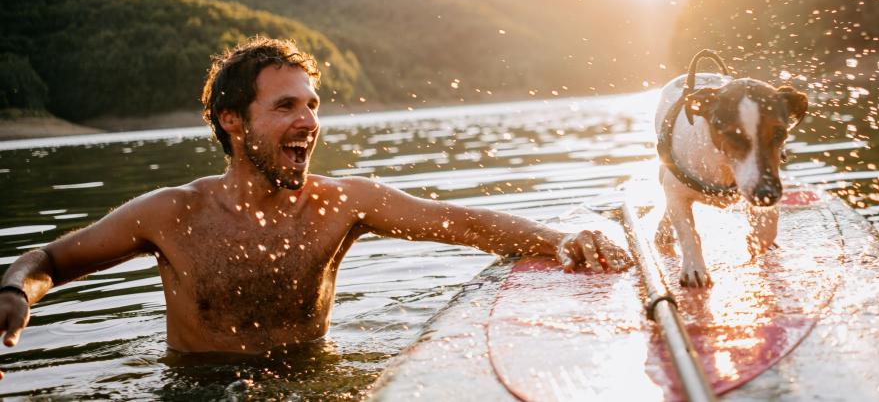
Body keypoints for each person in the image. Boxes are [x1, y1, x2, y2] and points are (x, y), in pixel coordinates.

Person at [0, 37, 631, 374]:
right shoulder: (171, 214)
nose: (308, 122)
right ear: (232, 122)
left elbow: (462, 222)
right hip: (195, 389)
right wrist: (14, 293)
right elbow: (48, 258)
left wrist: (557, 237)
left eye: (312, 106)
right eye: (285, 107)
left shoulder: (341, 203)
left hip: (315, 379)